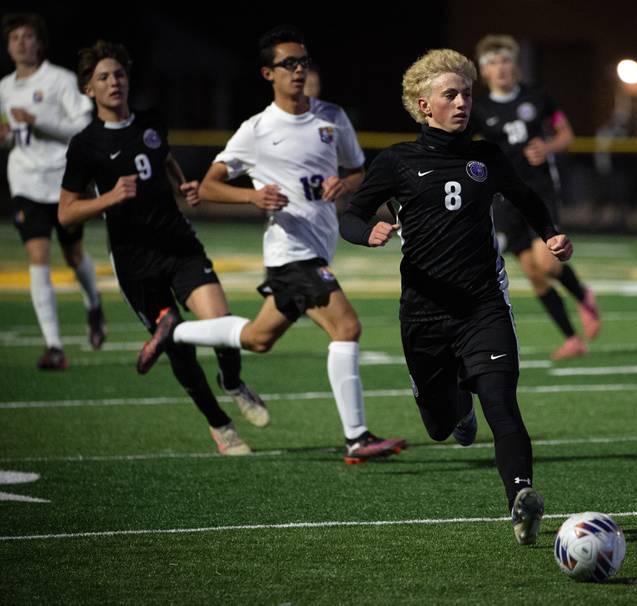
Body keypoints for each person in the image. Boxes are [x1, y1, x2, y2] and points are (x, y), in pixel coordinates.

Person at [137, 26, 405, 465]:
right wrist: (252, 196)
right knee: (347, 328)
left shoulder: (332, 118)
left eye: (304, 62)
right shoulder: (257, 130)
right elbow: (208, 185)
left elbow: (358, 170)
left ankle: (174, 331)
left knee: (258, 339)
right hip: (290, 253)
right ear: (268, 73)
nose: (299, 70)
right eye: (289, 64)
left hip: (318, 248)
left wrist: (347, 183)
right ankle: (357, 437)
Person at [338, 49, 574, 545]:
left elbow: (528, 197)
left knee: (502, 402)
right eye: (450, 95)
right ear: (424, 105)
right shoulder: (397, 161)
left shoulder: (485, 157)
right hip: (424, 313)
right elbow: (348, 213)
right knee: (441, 426)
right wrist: (368, 232)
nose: (462, 102)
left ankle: (521, 497)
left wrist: (552, 233)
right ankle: (456, 409)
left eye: (466, 93)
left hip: (483, 304)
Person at [59, 40, 267, 456]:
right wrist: (109, 198)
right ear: (88, 89)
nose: (114, 81)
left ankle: (232, 381)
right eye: (103, 77)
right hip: (135, 260)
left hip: (179, 244)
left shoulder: (150, 122)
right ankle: (220, 425)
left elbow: (162, 156)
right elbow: (66, 213)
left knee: (220, 322)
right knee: (178, 348)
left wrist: (182, 184)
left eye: (119, 73)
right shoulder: (86, 145)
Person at [471, 34, 599, 360]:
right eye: (491, 63)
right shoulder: (479, 108)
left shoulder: (537, 96)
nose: (499, 68)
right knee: (531, 273)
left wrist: (549, 147)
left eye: (504, 60)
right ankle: (572, 339)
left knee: (548, 264)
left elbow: (565, 134)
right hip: (502, 197)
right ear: (482, 71)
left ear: (514, 65)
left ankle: (583, 294)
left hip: (538, 190)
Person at [1, 13, 105, 369]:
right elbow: (13, 135)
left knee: (74, 257)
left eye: (27, 36)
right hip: (26, 182)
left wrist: (37, 121)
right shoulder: (4, 87)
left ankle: (94, 305)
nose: (20, 43)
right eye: (15, 37)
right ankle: (55, 346)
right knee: (37, 257)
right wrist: (7, 137)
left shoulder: (60, 80)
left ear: (39, 42)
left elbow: (83, 126)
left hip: (63, 181)